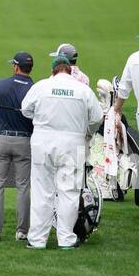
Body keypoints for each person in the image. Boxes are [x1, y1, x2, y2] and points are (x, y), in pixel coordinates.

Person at [19, 55, 104, 249]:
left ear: (53, 70)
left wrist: (40, 119)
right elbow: (97, 117)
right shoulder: (83, 90)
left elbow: (25, 109)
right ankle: (66, 239)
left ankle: (38, 239)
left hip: (43, 140)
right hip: (74, 142)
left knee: (42, 192)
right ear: (70, 69)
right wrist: (87, 131)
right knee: (69, 193)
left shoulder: (41, 86)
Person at [0, 52, 35, 242]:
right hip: (25, 141)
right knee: (23, 188)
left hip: (2, 140)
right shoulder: (36, 89)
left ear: (15, 67)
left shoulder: (0, 85)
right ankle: (22, 231)